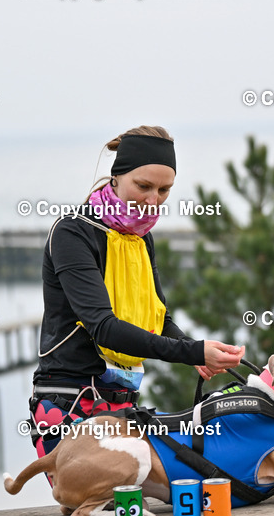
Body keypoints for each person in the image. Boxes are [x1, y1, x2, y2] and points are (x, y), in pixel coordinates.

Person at [29, 125, 243, 462]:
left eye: (164, 190)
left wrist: (197, 352)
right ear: (115, 176)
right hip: (68, 401)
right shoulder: (72, 232)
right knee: (101, 508)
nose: (152, 200)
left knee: (143, 507)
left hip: (123, 402)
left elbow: (159, 318)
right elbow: (103, 326)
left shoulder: (140, 237)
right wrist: (191, 352)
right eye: (143, 186)